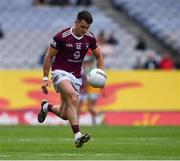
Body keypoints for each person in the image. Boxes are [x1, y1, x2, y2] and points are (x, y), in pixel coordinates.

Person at [37, 10, 104, 148]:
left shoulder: (90, 38)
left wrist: (100, 71)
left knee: (64, 114)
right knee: (72, 96)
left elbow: (99, 55)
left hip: (76, 76)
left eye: (87, 28)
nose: (85, 30)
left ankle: (46, 107)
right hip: (59, 73)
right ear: (76, 22)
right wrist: (45, 78)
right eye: (82, 27)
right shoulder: (61, 37)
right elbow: (48, 57)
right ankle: (77, 136)